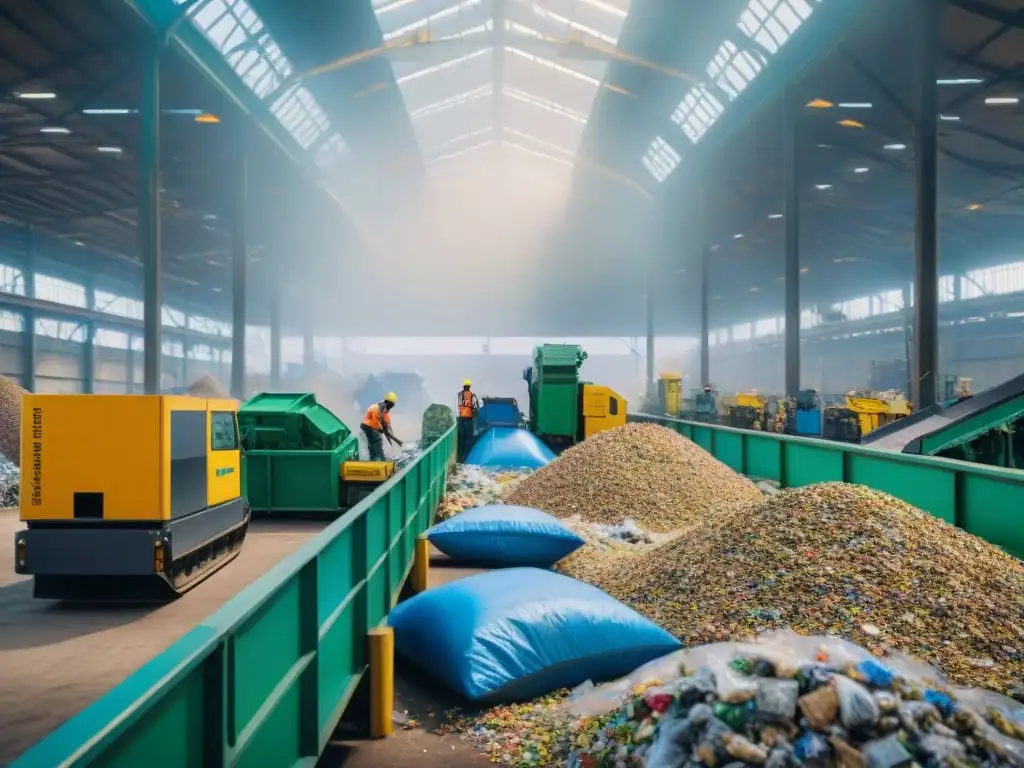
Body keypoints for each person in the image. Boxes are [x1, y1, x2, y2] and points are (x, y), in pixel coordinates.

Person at [361, 392, 403, 461]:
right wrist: (380, 427)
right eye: (392, 404)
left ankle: (381, 461)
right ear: (389, 403)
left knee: (375, 445)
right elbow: (379, 415)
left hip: (367, 426)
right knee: (377, 444)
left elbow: (387, 432)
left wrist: (394, 443)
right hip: (370, 426)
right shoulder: (382, 405)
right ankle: (378, 462)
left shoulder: (384, 412)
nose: (393, 406)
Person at [456, 379, 479, 461]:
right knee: (468, 437)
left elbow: (459, 404)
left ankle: (460, 455)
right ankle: (467, 455)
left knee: (462, 437)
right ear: (469, 386)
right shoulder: (472, 394)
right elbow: (474, 405)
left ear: (464, 386)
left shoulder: (460, 394)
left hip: (461, 417)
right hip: (468, 418)